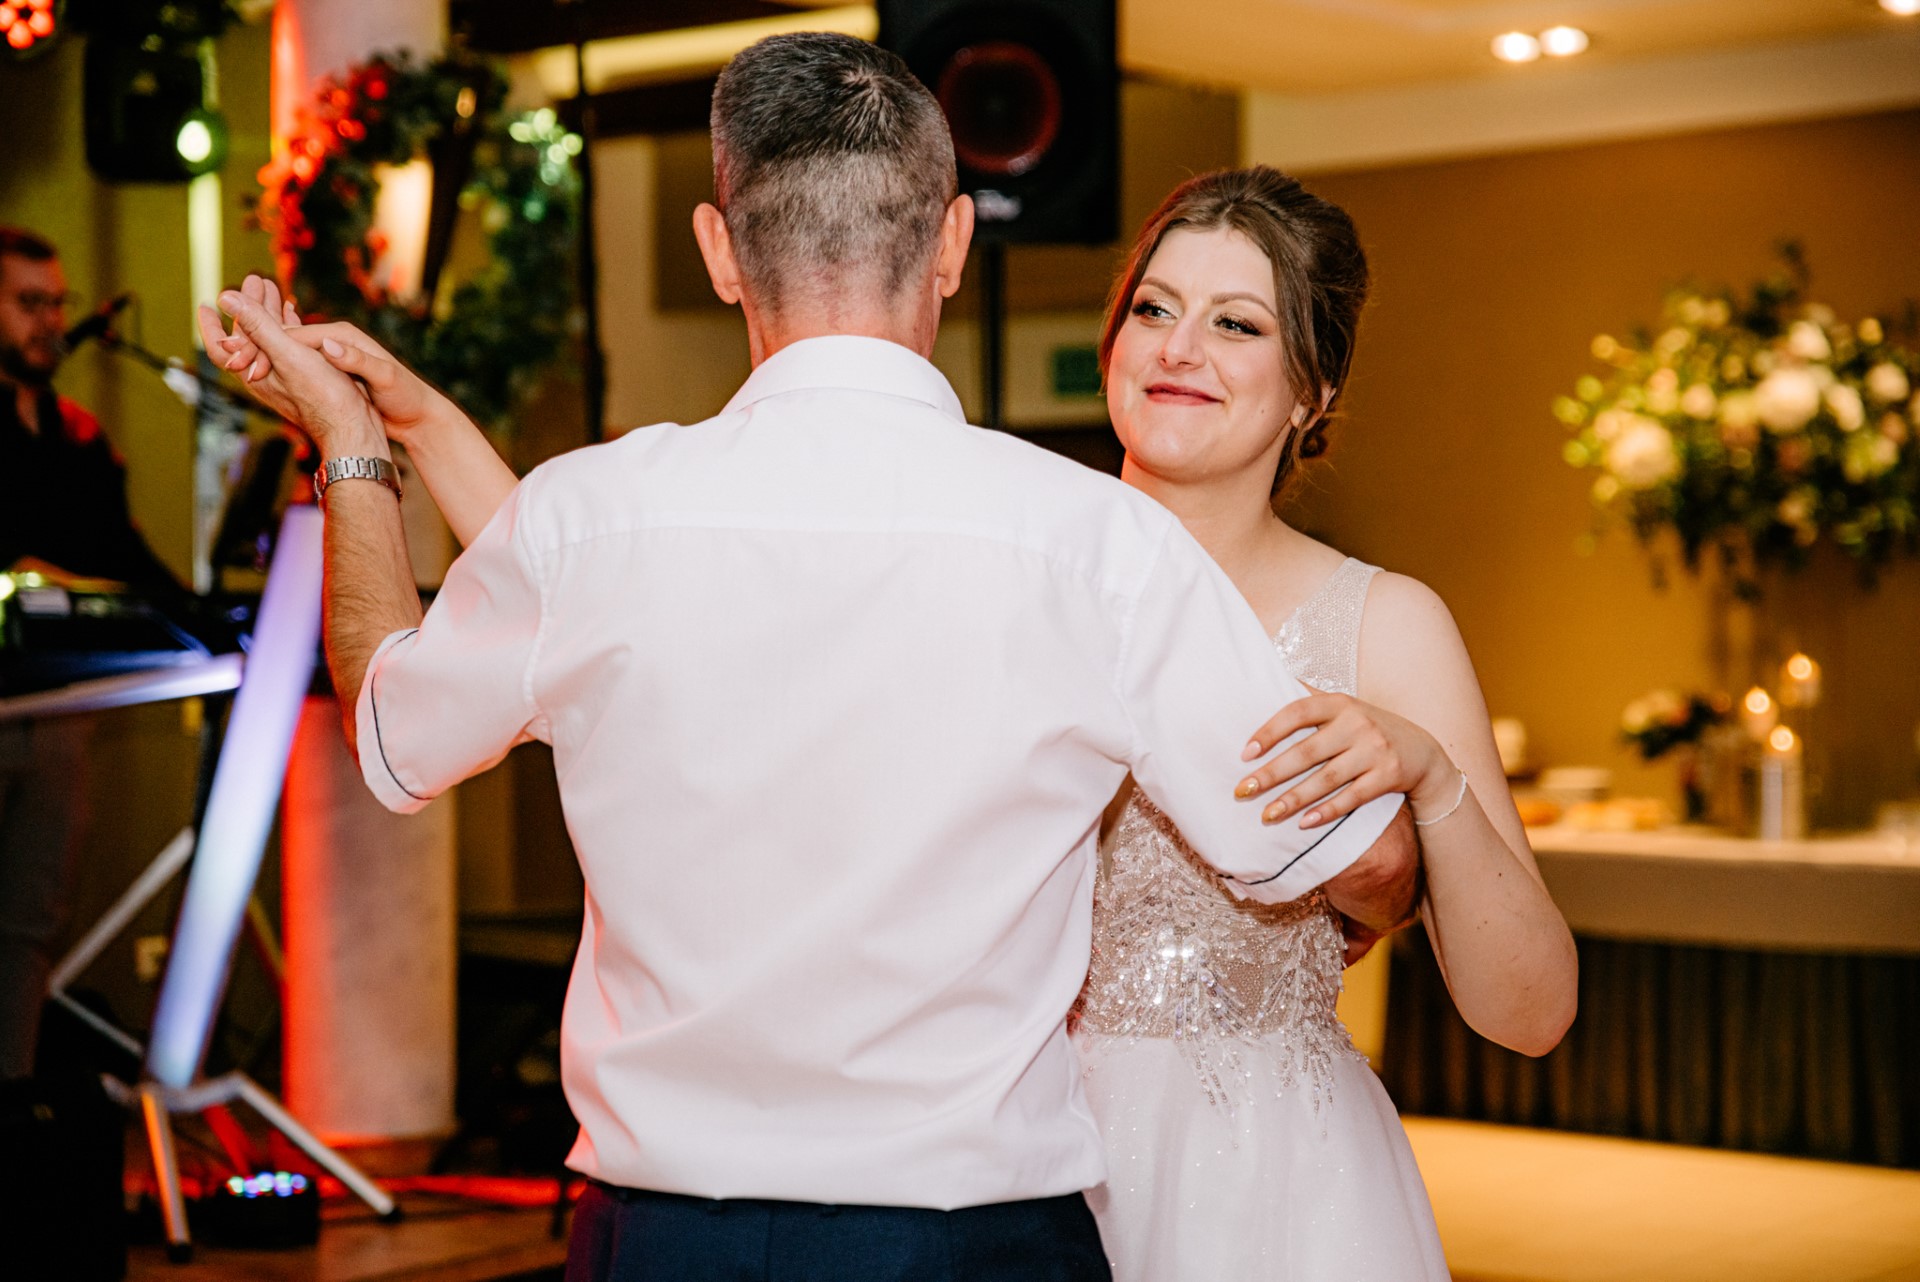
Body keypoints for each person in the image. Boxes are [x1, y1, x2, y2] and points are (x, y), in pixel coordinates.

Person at [200, 34, 1419, 1282]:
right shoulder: (1097, 542)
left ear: (719, 251)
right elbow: (1367, 859)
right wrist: (1371, 887)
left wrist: (353, 448)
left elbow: (389, 728)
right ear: (952, 243)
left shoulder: (587, 520)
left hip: (663, 1241)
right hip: (974, 1247)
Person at [1072, 166, 1578, 1279]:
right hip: (1033, 1160)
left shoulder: (1383, 624)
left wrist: (1429, 777)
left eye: (1236, 324)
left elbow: (1532, 1013)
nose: (1178, 348)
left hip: (1278, 1190)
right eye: (1153, 308)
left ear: (1312, 391)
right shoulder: (1024, 575)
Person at [0, 227, 181, 1082]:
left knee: (30, 921)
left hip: (62, 712)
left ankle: (14, 1101)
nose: (50, 321)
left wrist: (209, 615)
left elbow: (128, 562)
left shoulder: (77, 436)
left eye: (58, 303)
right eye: (28, 303)